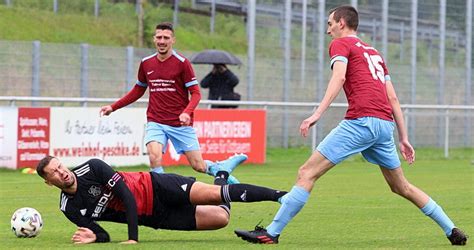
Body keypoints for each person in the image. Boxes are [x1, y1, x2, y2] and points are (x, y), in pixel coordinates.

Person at [234, 5, 468, 246]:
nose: (328, 30)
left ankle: (271, 233)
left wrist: (316, 113)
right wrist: (403, 137)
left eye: (329, 24)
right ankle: (451, 229)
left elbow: (339, 77)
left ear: (342, 23)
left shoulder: (341, 44)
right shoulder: (375, 53)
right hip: (385, 126)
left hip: (362, 122)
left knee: (306, 172)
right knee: (402, 187)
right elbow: (393, 99)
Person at [99, 22, 241, 183]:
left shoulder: (182, 63)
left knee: (198, 165)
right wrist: (113, 107)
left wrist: (187, 112)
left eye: (166, 37)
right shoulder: (146, 63)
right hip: (156, 120)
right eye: (159, 37)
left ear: (172, 40)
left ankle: (217, 169)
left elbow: (195, 93)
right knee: (154, 157)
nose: (162, 41)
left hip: (179, 124)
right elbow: (138, 90)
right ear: (154, 39)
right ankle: (164, 194)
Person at [36, 155, 287, 244]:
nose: (62, 172)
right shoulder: (68, 208)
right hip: (156, 217)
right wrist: (94, 237)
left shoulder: (92, 168)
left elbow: (125, 195)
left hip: (157, 187)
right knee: (222, 218)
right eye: (54, 173)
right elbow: (103, 235)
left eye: (60, 166)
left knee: (214, 194)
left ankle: (280, 196)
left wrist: (133, 238)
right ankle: (221, 172)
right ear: (49, 182)